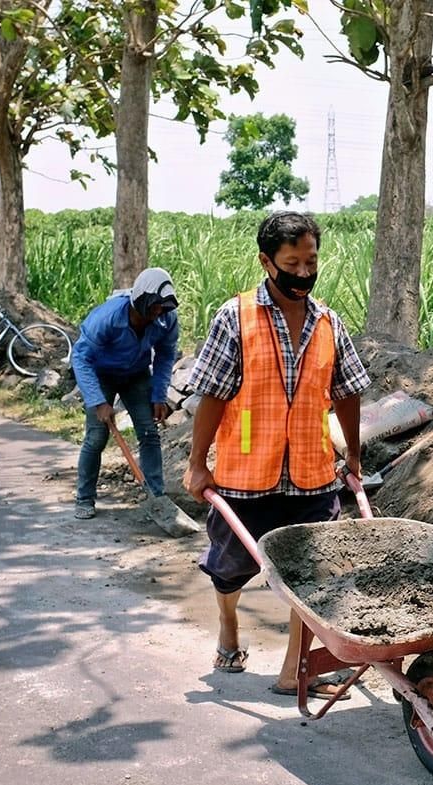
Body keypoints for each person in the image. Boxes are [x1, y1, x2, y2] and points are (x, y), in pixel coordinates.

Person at [183, 211, 370, 697]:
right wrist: (197, 462)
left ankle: (295, 670)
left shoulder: (328, 321)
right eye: (293, 263)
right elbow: (213, 395)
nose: (304, 273)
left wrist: (350, 453)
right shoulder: (236, 316)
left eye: (311, 261)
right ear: (267, 262)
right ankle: (228, 627)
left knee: (311, 576)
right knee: (231, 569)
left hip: (311, 473)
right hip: (247, 471)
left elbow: (348, 391)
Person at [71, 267, 181, 520]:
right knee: (96, 437)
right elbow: (81, 358)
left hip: (136, 375)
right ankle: (84, 498)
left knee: (149, 433)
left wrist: (158, 396)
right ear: (141, 301)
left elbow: (165, 356)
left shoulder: (167, 319)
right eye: (154, 307)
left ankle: (157, 497)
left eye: (163, 308)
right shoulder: (107, 318)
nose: (158, 313)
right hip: (101, 375)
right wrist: (98, 401)